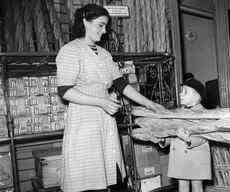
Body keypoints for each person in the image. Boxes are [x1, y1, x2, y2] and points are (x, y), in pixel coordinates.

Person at [56, 4, 167, 192]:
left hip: (106, 120)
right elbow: (65, 90)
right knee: (87, 177)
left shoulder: (105, 54)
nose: (105, 30)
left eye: (106, 26)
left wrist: (151, 104)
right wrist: (101, 101)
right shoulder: (70, 51)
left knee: (109, 175)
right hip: (84, 121)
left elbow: (122, 85)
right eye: (100, 25)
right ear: (85, 22)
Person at [166, 84, 212, 192]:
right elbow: (174, 132)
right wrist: (164, 139)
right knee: (182, 187)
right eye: (180, 91)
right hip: (180, 156)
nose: (180, 94)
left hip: (196, 157)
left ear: (196, 95)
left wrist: (188, 139)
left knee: (197, 187)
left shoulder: (204, 114)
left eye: (185, 92)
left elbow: (205, 134)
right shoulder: (178, 112)